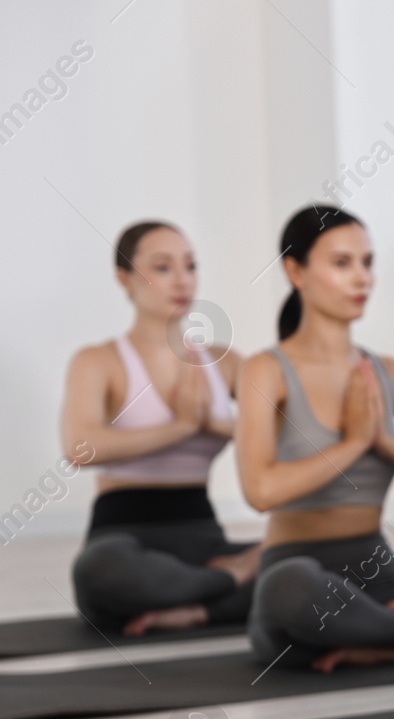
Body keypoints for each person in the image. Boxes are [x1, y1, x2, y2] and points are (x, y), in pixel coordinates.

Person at [238, 205, 394, 672]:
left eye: (367, 262)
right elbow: (260, 492)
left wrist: (383, 443)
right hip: (298, 579)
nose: (362, 278)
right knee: (292, 591)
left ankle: (385, 640)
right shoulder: (266, 371)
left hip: (380, 579)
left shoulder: (393, 375)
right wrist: (353, 444)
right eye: (342, 263)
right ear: (295, 271)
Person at [62, 220, 260, 635]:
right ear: (124, 278)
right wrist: (183, 426)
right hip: (123, 540)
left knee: (313, 561)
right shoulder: (99, 361)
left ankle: (194, 609)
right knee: (98, 575)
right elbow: (80, 448)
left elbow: (286, 438)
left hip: (204, 541)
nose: (182, 280)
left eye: (190, 266)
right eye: (163, 267)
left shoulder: (225, 362)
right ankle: (230, 585)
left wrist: (213, 423)